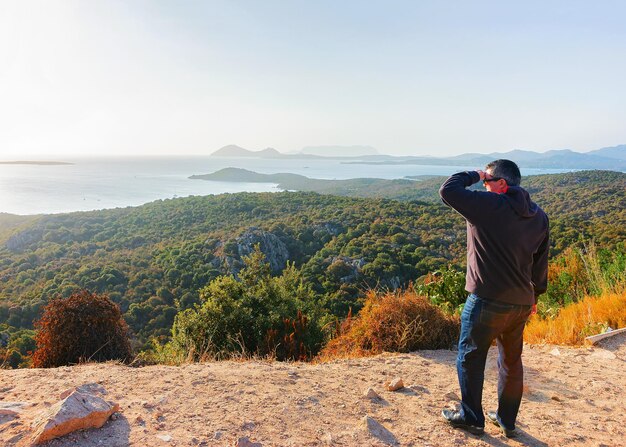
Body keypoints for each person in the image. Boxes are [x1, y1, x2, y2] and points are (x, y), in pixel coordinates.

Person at [438, 159, 549, 438]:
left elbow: (448, 190)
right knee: (511, 362)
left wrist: (474, 174)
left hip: (487, 299)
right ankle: (506, 420)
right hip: (521, 302)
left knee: (470, 357)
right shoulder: (538, 216)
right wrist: (534, 295)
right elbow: (539, 262)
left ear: (501, 184)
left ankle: (471, 416)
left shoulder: (489, 206)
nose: (484, 186)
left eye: (488, 181)